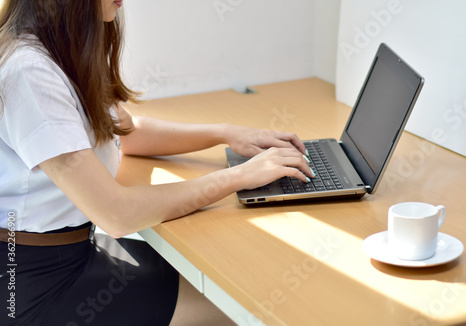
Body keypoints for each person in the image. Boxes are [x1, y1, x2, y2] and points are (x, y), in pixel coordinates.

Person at [0, 0, 314, 325]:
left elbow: (125, 132)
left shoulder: (57, 49)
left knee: (225, 273)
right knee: (242, 307)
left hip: (72, 252)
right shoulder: (29, 72)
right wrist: (240, 177)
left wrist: (227, 134)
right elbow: (116, 213)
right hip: (33, 287)